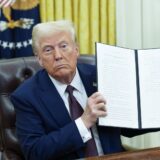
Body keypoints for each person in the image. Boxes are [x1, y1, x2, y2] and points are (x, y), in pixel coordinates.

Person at [10, 20, 158, 160]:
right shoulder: (26, 96)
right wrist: (83, 121)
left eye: (63, 46)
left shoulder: (102, 77)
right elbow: (35, 152)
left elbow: (127, 126)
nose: (58, 56)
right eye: (48, 50)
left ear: (76, 50)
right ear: (39, 59)